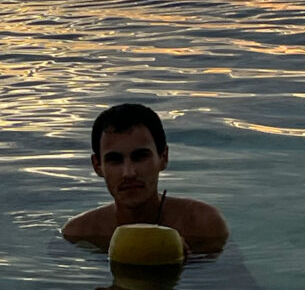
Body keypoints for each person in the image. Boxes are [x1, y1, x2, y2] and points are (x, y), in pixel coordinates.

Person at [62, 103, 229, 254]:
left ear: (163, 157)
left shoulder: (202, 224)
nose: (129, 173)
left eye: (140, 157)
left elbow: (238, 284)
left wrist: (183, 263)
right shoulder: (79, 233)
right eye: (115, 160)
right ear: (97, 166)